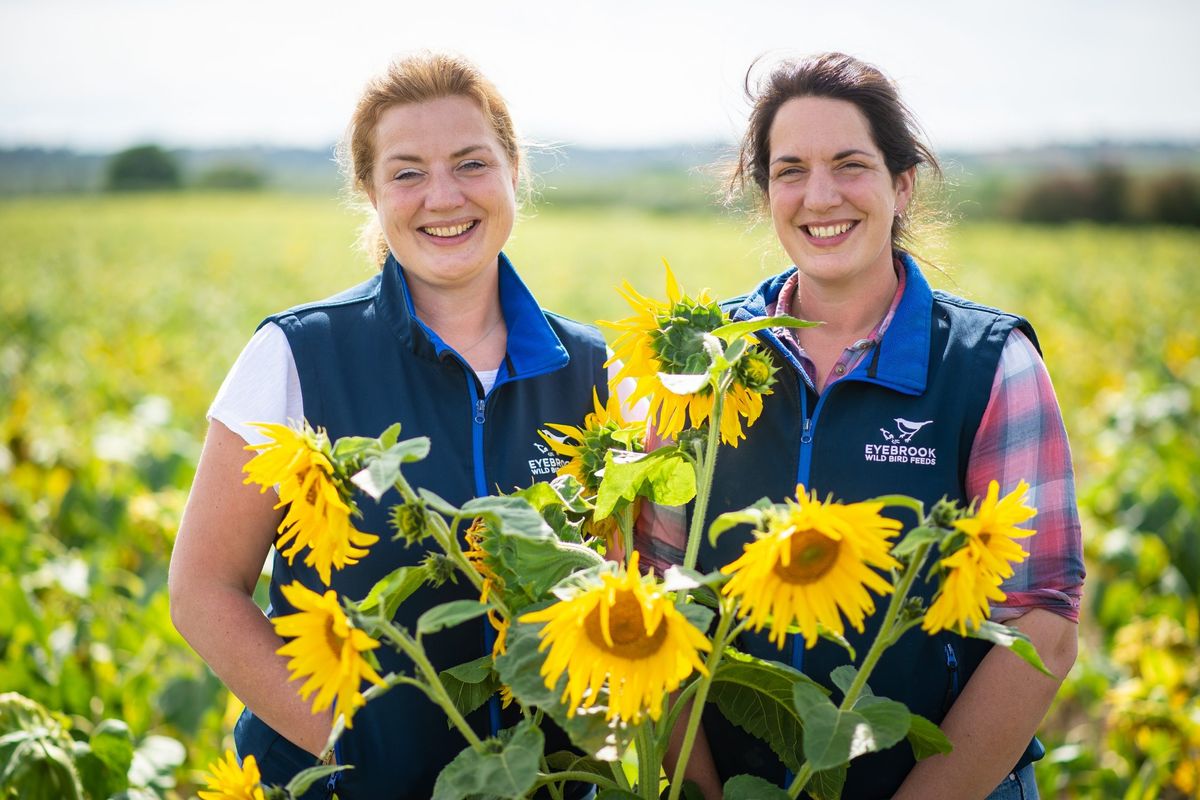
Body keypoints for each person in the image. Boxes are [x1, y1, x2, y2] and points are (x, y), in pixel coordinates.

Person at [636, 52, 1084, 799]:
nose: (819, 196)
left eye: (850, 164)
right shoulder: (707, 364)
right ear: (765, 192)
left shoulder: (986, 365)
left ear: (901, 183)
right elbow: (655, 591)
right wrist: (702, 792)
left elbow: (1041, 624)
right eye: (789, 170)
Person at [168, 52, 608, 800]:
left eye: (471, 163)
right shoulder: (299, 353)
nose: (443, 196)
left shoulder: (592, 370)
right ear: (369, 193)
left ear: (513, 174)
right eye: (407, 172)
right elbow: (204, 588)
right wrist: (354, 751)